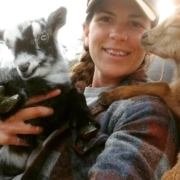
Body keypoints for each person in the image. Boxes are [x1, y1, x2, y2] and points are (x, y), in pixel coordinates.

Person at [0, 0, 179, 179]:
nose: (117, 34)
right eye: (106, 19)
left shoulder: (146, 111)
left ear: (149, 39)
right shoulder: (56, 93)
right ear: (86, 32)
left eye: (135, 23)